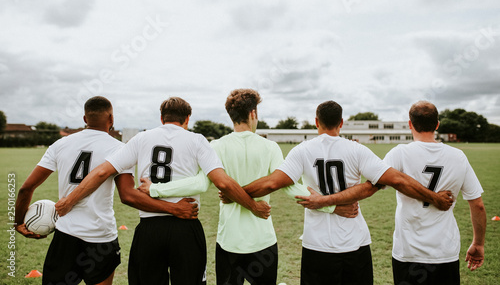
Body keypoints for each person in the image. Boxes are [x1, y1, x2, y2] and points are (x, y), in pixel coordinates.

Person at [55, 96, 270, 285]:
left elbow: (102, 172)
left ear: (161, 118)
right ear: (187, 119)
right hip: (186, 227)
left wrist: (69, 201)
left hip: (149, 229)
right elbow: (223, 183)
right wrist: (254, 206)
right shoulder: (196, 140)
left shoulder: (141, 138)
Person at [137, 89, 340, 285]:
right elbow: (289, 187)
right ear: (253, 113)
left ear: (231, 115)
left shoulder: (216, 146)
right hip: (263, 242)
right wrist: (330, 204)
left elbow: (199, 183)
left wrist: (155, 189)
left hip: (229, 243)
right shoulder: (270, 147)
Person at [240, 100, 454, 285]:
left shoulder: (303, 150)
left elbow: (271, 184)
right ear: (341, 123)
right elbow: (396, 179)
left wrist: (237, 193)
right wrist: (434, 197)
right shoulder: (356, 149)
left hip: (317, 244)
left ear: (316, 122)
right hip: (355, 243)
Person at [15, 96, 197, 285]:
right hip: (101, 238)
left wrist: (18, 222)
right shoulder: (119, 148)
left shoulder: (61, 144)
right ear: (111, 119)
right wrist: (174, 208)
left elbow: (26, 188)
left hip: (66, 234)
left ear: (85, 119)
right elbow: (127, 195)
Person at [383, 101, 486, 285]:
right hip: (444, 252)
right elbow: (477, 205)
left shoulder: (399, 153)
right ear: (437, 124)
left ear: (410, 124)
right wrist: (478, 244)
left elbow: (373, 183)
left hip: (408, 252)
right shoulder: (458, 156)